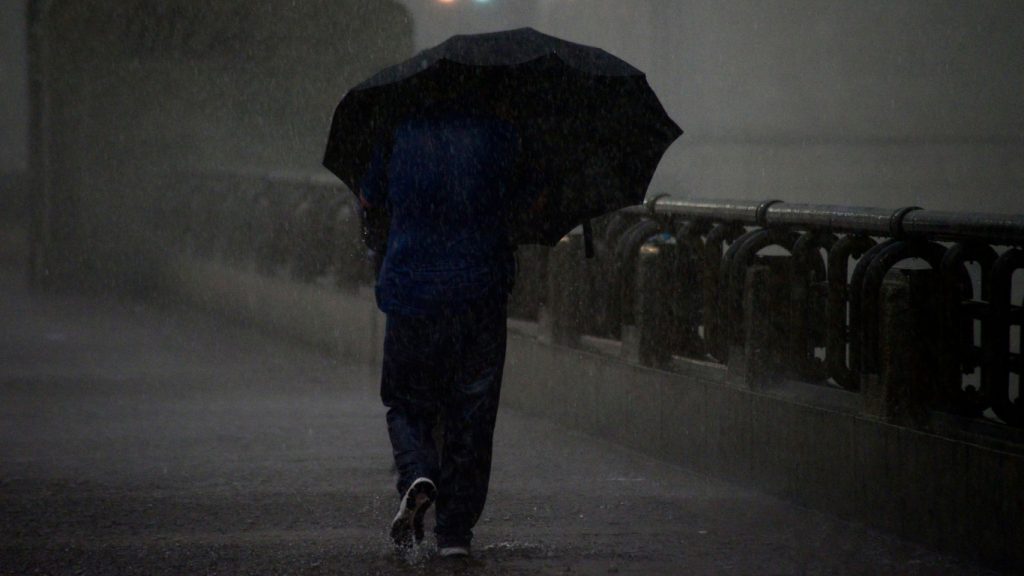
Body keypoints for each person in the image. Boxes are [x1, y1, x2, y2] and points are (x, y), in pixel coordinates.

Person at [359, 100, 518, 558]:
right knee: (472, 411)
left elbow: (369, 199)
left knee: (407, 404)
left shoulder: (397, 127)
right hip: (478, 293)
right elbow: (528, 199)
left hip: (411, 292)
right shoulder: (498, 128)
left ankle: (417, 474)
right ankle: (454, 534)